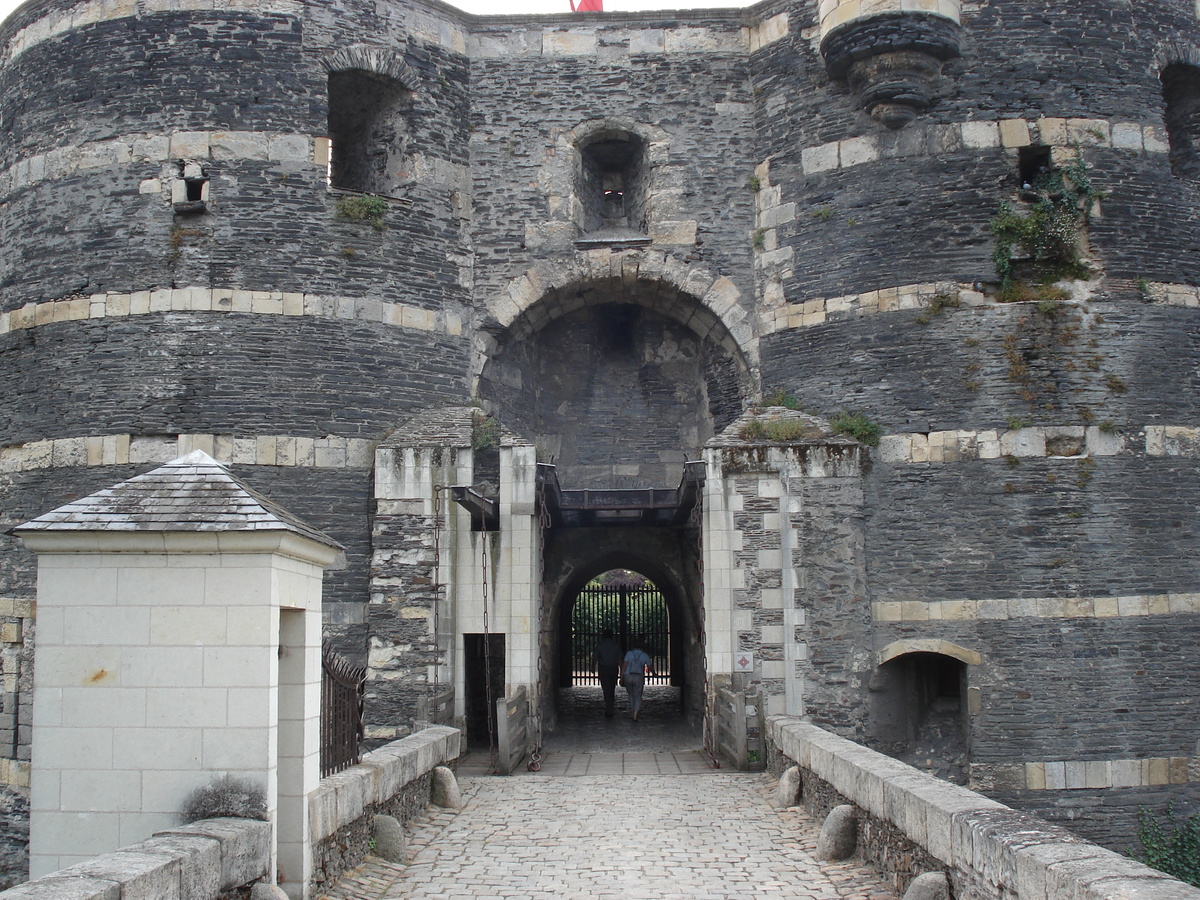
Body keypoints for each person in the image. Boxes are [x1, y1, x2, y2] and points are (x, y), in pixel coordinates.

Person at [620, 635, 654, 722]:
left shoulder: (629, 653)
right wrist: (654, 673)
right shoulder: (644, 655)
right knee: (638, 696)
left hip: (628, 675)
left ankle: (632, 710)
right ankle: (635, 714)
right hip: (639, 676)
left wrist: (621, 677)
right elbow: (649, 666)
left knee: (631, 695)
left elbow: (624, 666)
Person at [593, 629, 622, 718]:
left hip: (603, 669)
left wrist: (592, 667)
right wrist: (622, 671)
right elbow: (620, 659)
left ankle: (609, 708)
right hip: (613, 668)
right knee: (612, 688)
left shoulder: (600, 646)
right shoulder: (616, 646)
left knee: (606, 689)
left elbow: (595, 658)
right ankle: (611, 706)